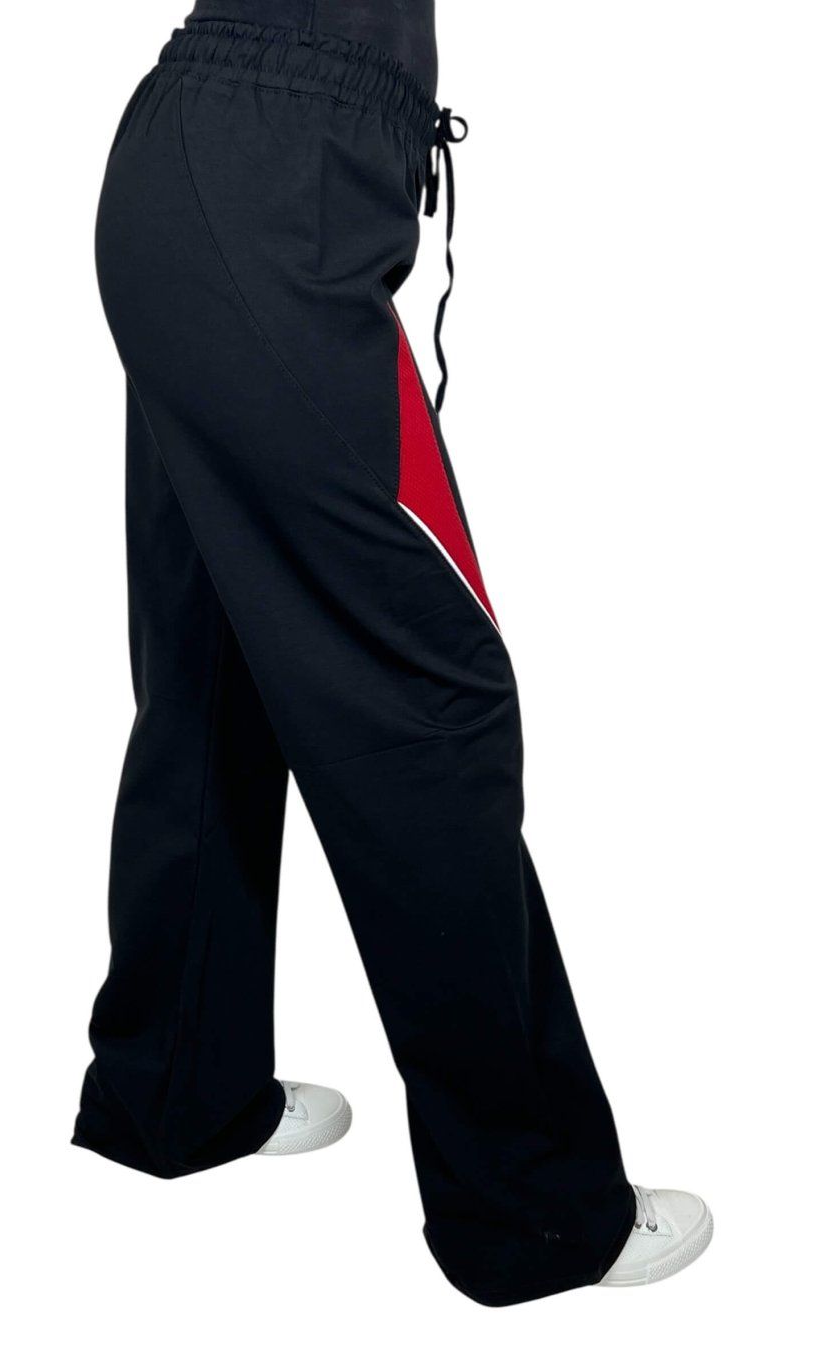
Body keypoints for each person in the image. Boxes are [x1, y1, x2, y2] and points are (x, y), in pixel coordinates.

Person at [72, 0, 712, 1305]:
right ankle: (533, 1206)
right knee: (431, 694)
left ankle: (174, 1083)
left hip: (197, 164)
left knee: (214, 654)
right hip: (271, 189)